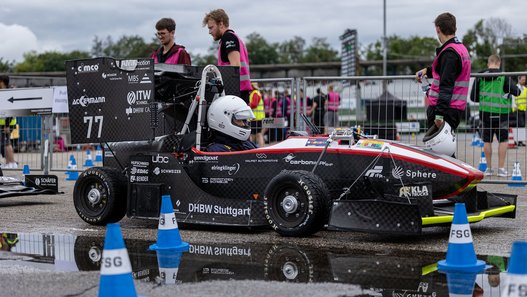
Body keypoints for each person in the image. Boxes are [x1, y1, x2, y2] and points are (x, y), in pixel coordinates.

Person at [415, 12, 471, 157]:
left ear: (438, 29)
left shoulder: (449, 53)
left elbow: (446, 85)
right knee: (446, 151)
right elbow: (447, 72)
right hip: (454, 107)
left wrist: (439, 115)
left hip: (443, 109)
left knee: (439, 155)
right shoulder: (461, 49)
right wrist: (428, 71)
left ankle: (451, 180)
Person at [470, 54, 520, 177]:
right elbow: (517, 92)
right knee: (503, 141)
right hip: (502, 114)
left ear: (488, 63)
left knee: (487, 140)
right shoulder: (504, 76)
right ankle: (501, 169)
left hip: (485, 114)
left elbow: (473, 97)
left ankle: (489, 169)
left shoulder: (480, 77)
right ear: (499, 63)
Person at [202, 9, 252, 104]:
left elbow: (235, 67)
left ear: (221, 24)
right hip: (240, 92)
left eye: (211, 27)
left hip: (236, 93)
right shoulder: (234, 37)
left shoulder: (228, 38)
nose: (209, 32)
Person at [0, 75, 17, 169]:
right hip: (4, 124)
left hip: (7, 124)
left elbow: (10, 111)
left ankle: (11, 162)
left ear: (2, 81)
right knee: (6, 143)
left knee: (7, 143)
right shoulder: (4, 92)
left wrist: (6, 125)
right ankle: (9, 162)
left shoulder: (8, 93)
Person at [249, 82, 265, 147]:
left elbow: (254, 104)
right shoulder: (255, 93)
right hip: (257, 117)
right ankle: (258, 148)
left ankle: (255, 148)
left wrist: (247, 105)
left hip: (255, 118)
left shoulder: (255, 93)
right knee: (257, 134)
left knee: (256, 134)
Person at [512, 74, 526, 146]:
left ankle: (520, 141)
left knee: (522, 125)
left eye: (524, 80)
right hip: (517, 109)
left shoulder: (525, 89)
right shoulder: (515, 88)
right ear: (519, 79)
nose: (524, 81)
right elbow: (513, 98)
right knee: (520, 125)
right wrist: (514, 106)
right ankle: (518, 141)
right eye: (523, 80)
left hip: (524, 109)